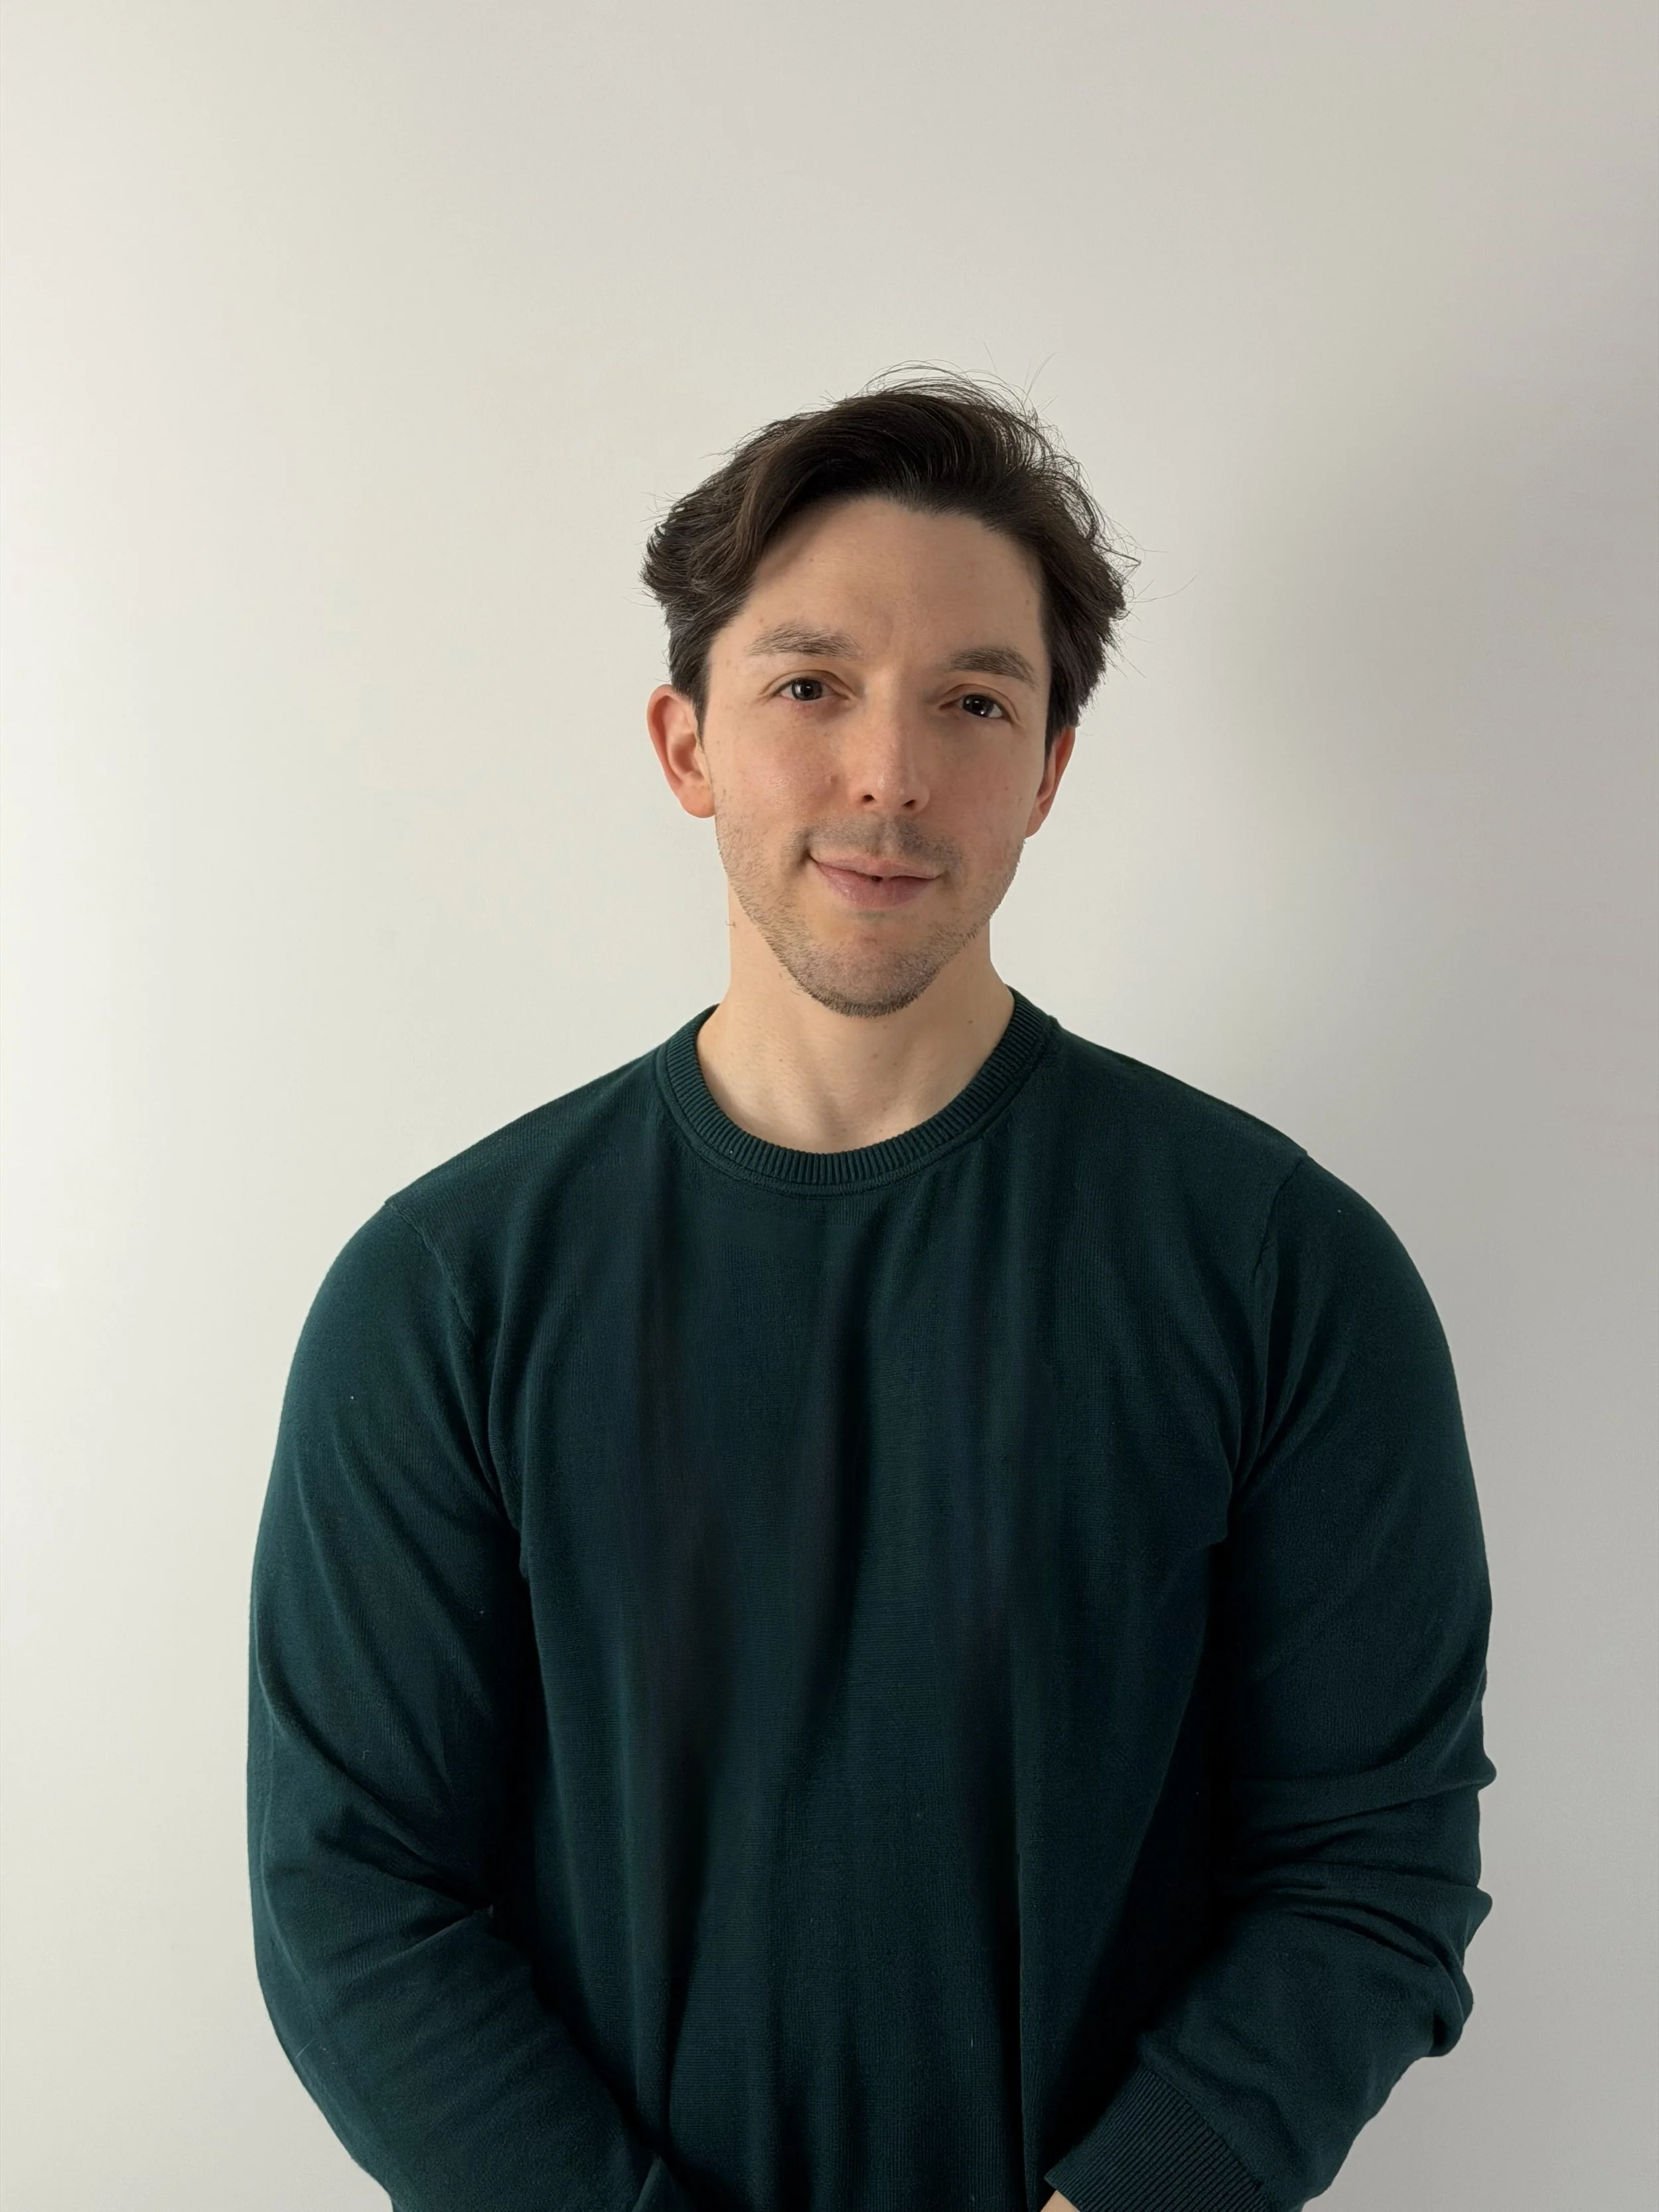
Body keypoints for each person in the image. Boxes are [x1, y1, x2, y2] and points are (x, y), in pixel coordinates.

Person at [247, 372, 1496, 2212]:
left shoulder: (1281, 1268)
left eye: (971, 700)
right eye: (808, 685)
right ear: (684, 743)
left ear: (1049, 768)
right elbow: (352, 1895)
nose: (888, 771)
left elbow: (1368, 1861)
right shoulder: (443, 1292)